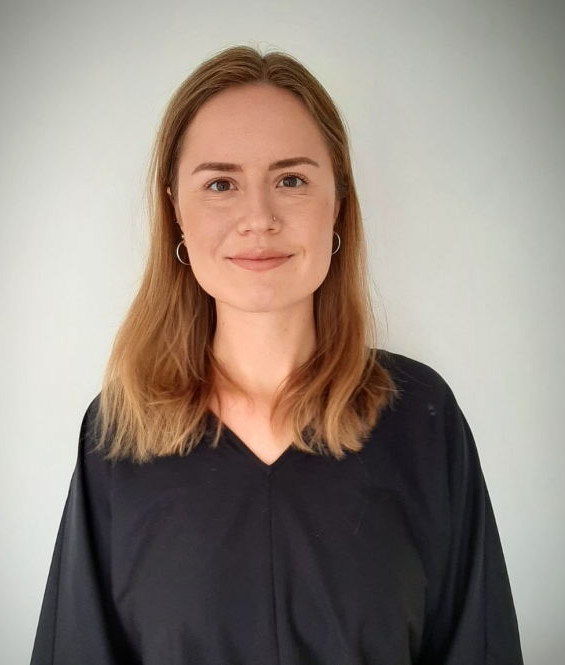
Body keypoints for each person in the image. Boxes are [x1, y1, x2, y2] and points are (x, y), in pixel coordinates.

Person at [30, 44, 524, 664]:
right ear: (175, 210)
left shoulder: (423, 418)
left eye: (291, 180)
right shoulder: (118, 436)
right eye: (220, 184)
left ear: (337, 203)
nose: (257, 217)